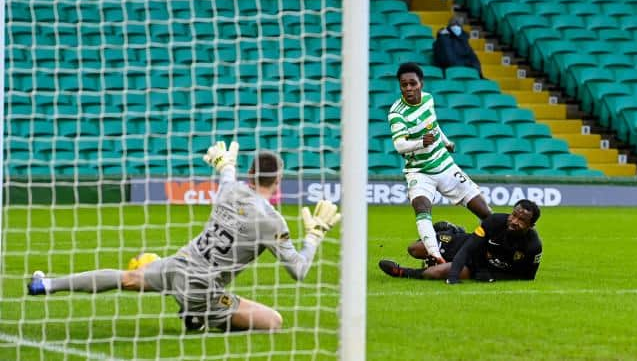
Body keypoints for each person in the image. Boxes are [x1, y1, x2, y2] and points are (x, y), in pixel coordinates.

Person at [27, 141, 341, 332]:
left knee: (127, 278)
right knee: (273, 321)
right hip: (202, 287)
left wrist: (226, 163)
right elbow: (298, 271)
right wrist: (314, 236)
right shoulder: (272, 221)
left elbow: (226, 172)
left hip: (179, 263)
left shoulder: (230, 189)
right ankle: (199, 315)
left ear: (250, 174)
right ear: (279, 180)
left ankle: (47, 284)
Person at [389, 62, 492, 264]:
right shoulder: (396, 113)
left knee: (484, 211)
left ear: (421, 83)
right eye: (404, 85)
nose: (409, 88)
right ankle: (435, 255)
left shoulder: (428, 99)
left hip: (445, 166)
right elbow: (400, 146)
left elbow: (433, 126)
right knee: (421, 207)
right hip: (419, 171)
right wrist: (420, 143)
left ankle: (497, 245)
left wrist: (446, 142)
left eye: (412, 83)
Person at [378, 199, 543, 283]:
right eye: (514, 215)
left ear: (531, 225)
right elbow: (468, 248)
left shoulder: (533, 246)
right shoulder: (494, 221)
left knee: (435, 273)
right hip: (467, 244)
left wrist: (492, 276)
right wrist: (454, 276)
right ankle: (452, 231)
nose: (514, 221)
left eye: (522, 220)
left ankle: (401, 272)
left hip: (480, 266)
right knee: (414, 249)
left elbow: (527, 277)